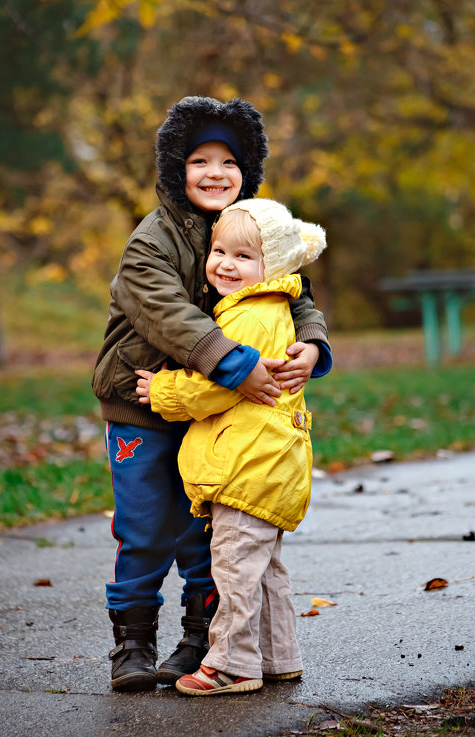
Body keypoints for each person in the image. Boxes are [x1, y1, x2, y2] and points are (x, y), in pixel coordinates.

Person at [91, 96, 332, 693]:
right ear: (177, 168)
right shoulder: (152, 240)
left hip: (214, 414)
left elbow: (293, 291)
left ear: (247, 170)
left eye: (229, 161)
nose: (216, 173)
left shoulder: (256, 227)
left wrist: (311, 343)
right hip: (145, 403)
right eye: (200, 160)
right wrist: (235, 364)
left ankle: (203, 640)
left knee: (210, 532)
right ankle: (133, 642)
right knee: (146, 528)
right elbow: (168, 315)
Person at [135, 199, 326, 695]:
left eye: (243, 257)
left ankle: (231, 664)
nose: (224, 264)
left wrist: (162, 391)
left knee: (235, 571)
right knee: (265, 571)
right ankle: (278, 657)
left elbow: (217, 384)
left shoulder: (249, 318)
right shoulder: (271, 309)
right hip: (270, 467)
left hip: (246, 466)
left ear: (273, 267)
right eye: (219, 251)